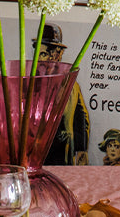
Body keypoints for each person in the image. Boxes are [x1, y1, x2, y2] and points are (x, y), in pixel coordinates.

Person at [34, 23, 90, 166]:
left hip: (63, 154)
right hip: (35, 154)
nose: (39, 60)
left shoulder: (71, 84)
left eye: (44, 54)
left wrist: (82, 149)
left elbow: (81, 117)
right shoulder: (30, 84)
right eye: (37, 54)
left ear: (57, 55)